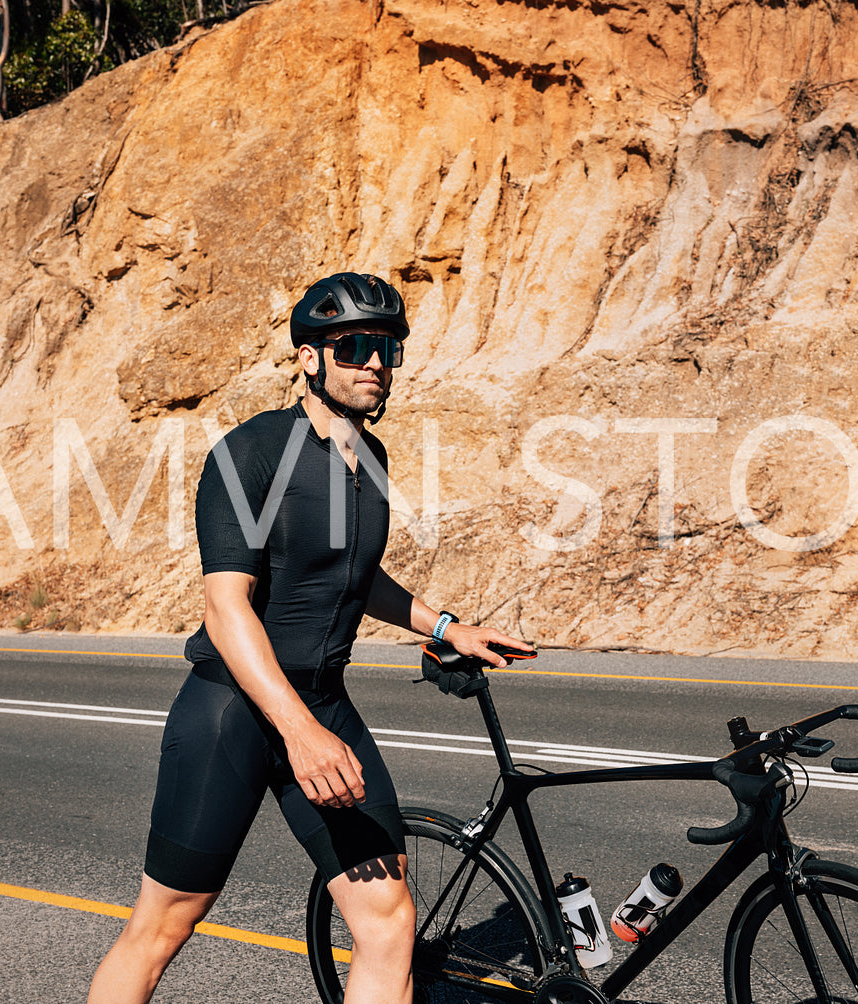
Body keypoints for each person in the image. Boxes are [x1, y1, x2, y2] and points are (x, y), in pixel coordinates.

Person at [87, 272, 530, 1004]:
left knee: (387, 921)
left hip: (321, 706)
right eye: (353, 346)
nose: (374, 363)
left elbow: (359, 576)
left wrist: (449, 625)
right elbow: (226, 607)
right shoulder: (251, 453)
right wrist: (297, 732)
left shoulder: (371, 459)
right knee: (163, 925)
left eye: (387, 347)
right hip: (233, 712)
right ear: (308, 358)